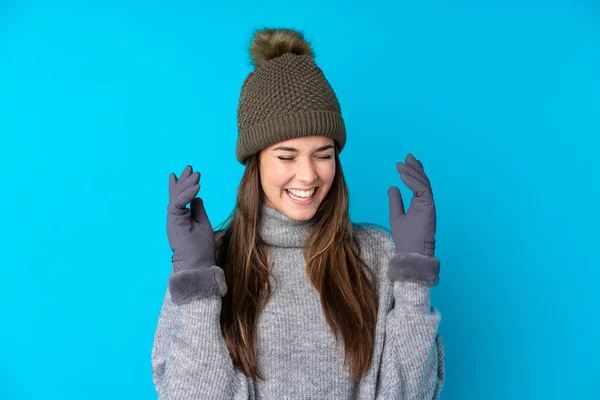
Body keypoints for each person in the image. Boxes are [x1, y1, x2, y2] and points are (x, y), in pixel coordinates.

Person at [151, 28, 445, 400]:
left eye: (323, 155)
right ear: (255, 163)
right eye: (287, 156)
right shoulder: (210, 264)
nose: (308, 174)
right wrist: (196, 288)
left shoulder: (378, 255)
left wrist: (414, 279)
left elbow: (411, 394)